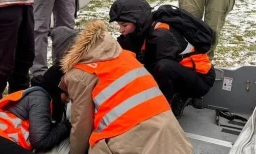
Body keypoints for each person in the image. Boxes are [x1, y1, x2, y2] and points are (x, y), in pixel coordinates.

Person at [60, 20, 193, 154]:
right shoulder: (122, 54)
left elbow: (81, 125)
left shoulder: (80, 74)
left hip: (131, 139)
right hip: (171, 135)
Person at [109, 0, 216, 119]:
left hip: (201, 79)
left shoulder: (161, 35)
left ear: (137, 20)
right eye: (119, 25)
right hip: (181, 73)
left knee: (162, 67)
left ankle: (164, 108)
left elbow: (148, 71)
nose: (121, 29)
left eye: (124, 25)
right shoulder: (139, 31)